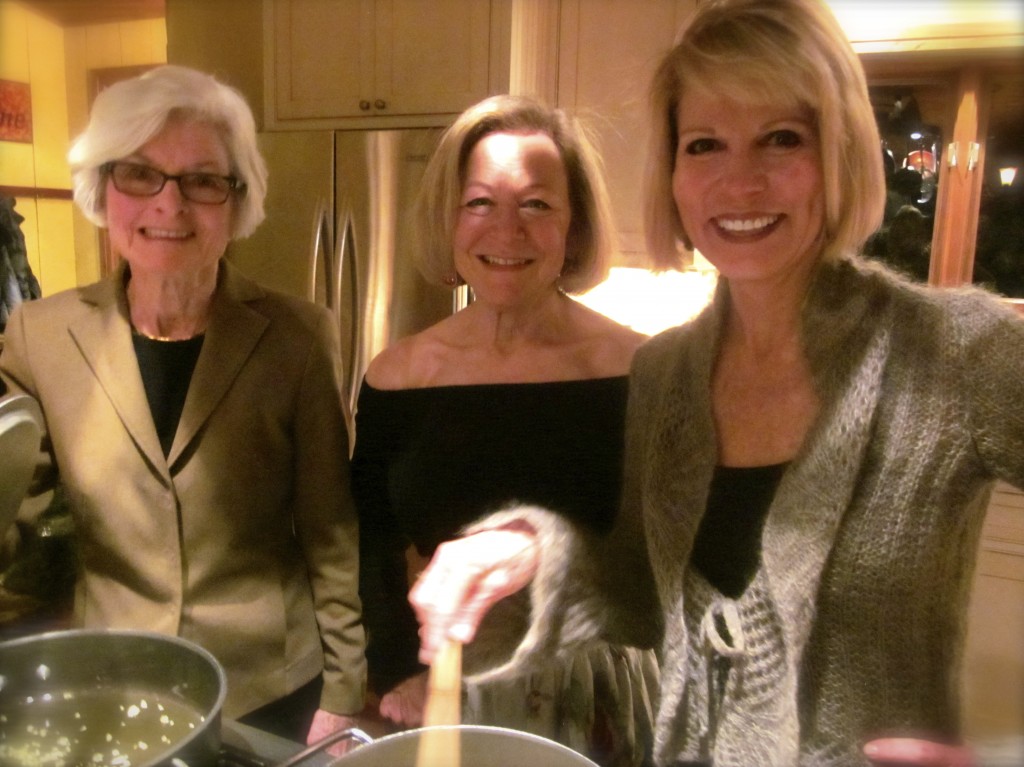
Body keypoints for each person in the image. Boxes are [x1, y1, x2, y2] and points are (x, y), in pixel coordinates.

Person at [405, 2, 1024, 766]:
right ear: (672, 171)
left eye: (782, 138)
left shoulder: (957, 352)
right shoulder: (665, 375)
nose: (739, 181)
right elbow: (637, 591)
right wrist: (528, 548)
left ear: (841, 152)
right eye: (704, 144)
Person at [0, 65, 367, 747]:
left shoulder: (299, 336)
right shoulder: (39, 336)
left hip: (267, 686)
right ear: (103, 189)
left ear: (237, 199)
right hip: (113, 680)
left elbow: (331, 531)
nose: (169, 206)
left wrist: (344, 693)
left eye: (202, 180)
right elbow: (15, 514)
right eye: (139, 173)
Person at [351, 94, 659, 767]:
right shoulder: (398, 375)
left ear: (573, 225)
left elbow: (660, 562)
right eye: (481, 202)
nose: (506, 231)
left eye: (537, 205)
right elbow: (377, 541)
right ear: (450, 218)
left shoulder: (641, 370)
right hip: (455, 685)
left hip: (600, 693)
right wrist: (397, 665)